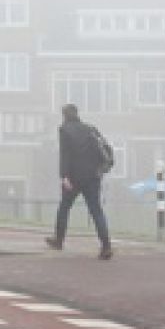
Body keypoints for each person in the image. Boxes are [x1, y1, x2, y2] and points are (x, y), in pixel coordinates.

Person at [48, 103, 114, 259]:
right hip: (93, 176)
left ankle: (59, 240)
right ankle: (106, 246)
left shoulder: (64, 130)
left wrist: (64, 176)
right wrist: (99, 170)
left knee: (64, 207)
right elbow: (102, 149)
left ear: (64, 115)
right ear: (77, 114)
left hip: (74, 178)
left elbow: (65, 154)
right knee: (96, 210)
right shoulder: (90, 128)